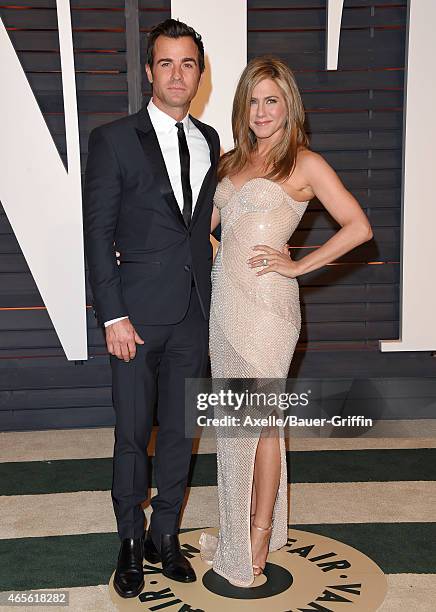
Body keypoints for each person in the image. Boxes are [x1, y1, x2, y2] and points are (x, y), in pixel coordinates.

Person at [199, 56, 373, 587]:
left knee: (259, 424)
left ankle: (253, 537)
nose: (261, 110)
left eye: (271, 99)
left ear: (288, 105)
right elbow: (202, 229)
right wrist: (215, 253)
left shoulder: (304, 163)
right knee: (243, 424)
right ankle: (250, 531)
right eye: (253, 100)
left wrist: (296, 263)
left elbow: (358, 227)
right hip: (225, 307)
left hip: (269, 311)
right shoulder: (230, 164)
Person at [83, 19, 220, 598]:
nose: (177, 74)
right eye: (166, 63)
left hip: (193, 312)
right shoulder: (114, 138)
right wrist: (112, 315)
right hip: (134, 321)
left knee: (181, 434)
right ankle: (130, 541)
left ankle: (167, 536)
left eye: (188, 63)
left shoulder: (212, 140)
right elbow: (98, 232)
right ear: (148, 72)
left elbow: (201, 225)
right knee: (133, 434)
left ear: (199, 72)